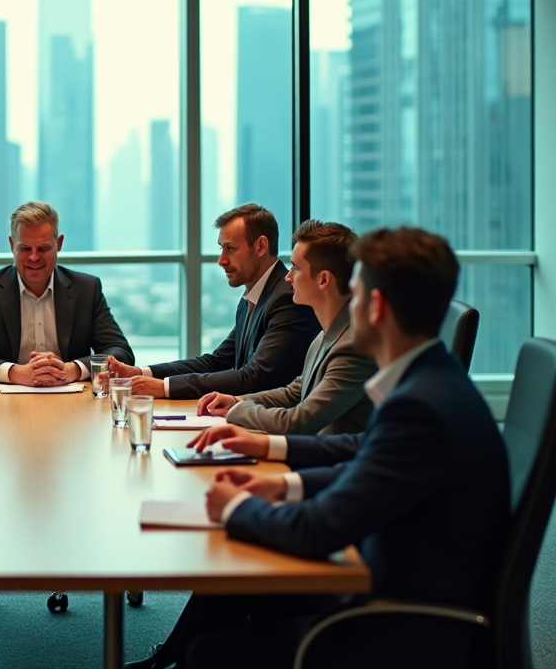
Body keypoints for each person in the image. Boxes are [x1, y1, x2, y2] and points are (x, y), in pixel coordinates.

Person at [128, 227, 510, 669]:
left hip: (396, 623)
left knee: (213, 648)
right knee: (230, 582)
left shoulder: (419, 408)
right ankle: (166, 662)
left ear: (377, 306)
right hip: (388, 573)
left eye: (358, 291)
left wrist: (234, 508)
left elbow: (318, 528)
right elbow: (361, 449)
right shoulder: (430, 382)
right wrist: (282, 485)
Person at [108, 203, 320, 399]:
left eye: (231, 248)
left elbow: (254, 377)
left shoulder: (286, 299)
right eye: (221, 248)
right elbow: (217, 361)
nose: (222, 260)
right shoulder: (254, 297)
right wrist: (141, 373)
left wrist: (163, 387)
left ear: (261, 246)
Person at [192, 220, 377, 435]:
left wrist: (237, 410)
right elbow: (295, 392)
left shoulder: (353, 345)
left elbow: (298, 421)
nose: (288, 277)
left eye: (296, 268)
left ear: (323, 279)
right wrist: (237, 400)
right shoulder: (326, 335)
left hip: (329, 464)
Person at [0, 201, 134, 384]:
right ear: (12, 245)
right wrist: (16, 372)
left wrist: (73, 369)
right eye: (25, 248)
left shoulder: (86, 289)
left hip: (73, 402)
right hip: (3, 403)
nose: (34, 257)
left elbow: (120, 352)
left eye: (43, 248)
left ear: (59, 244)